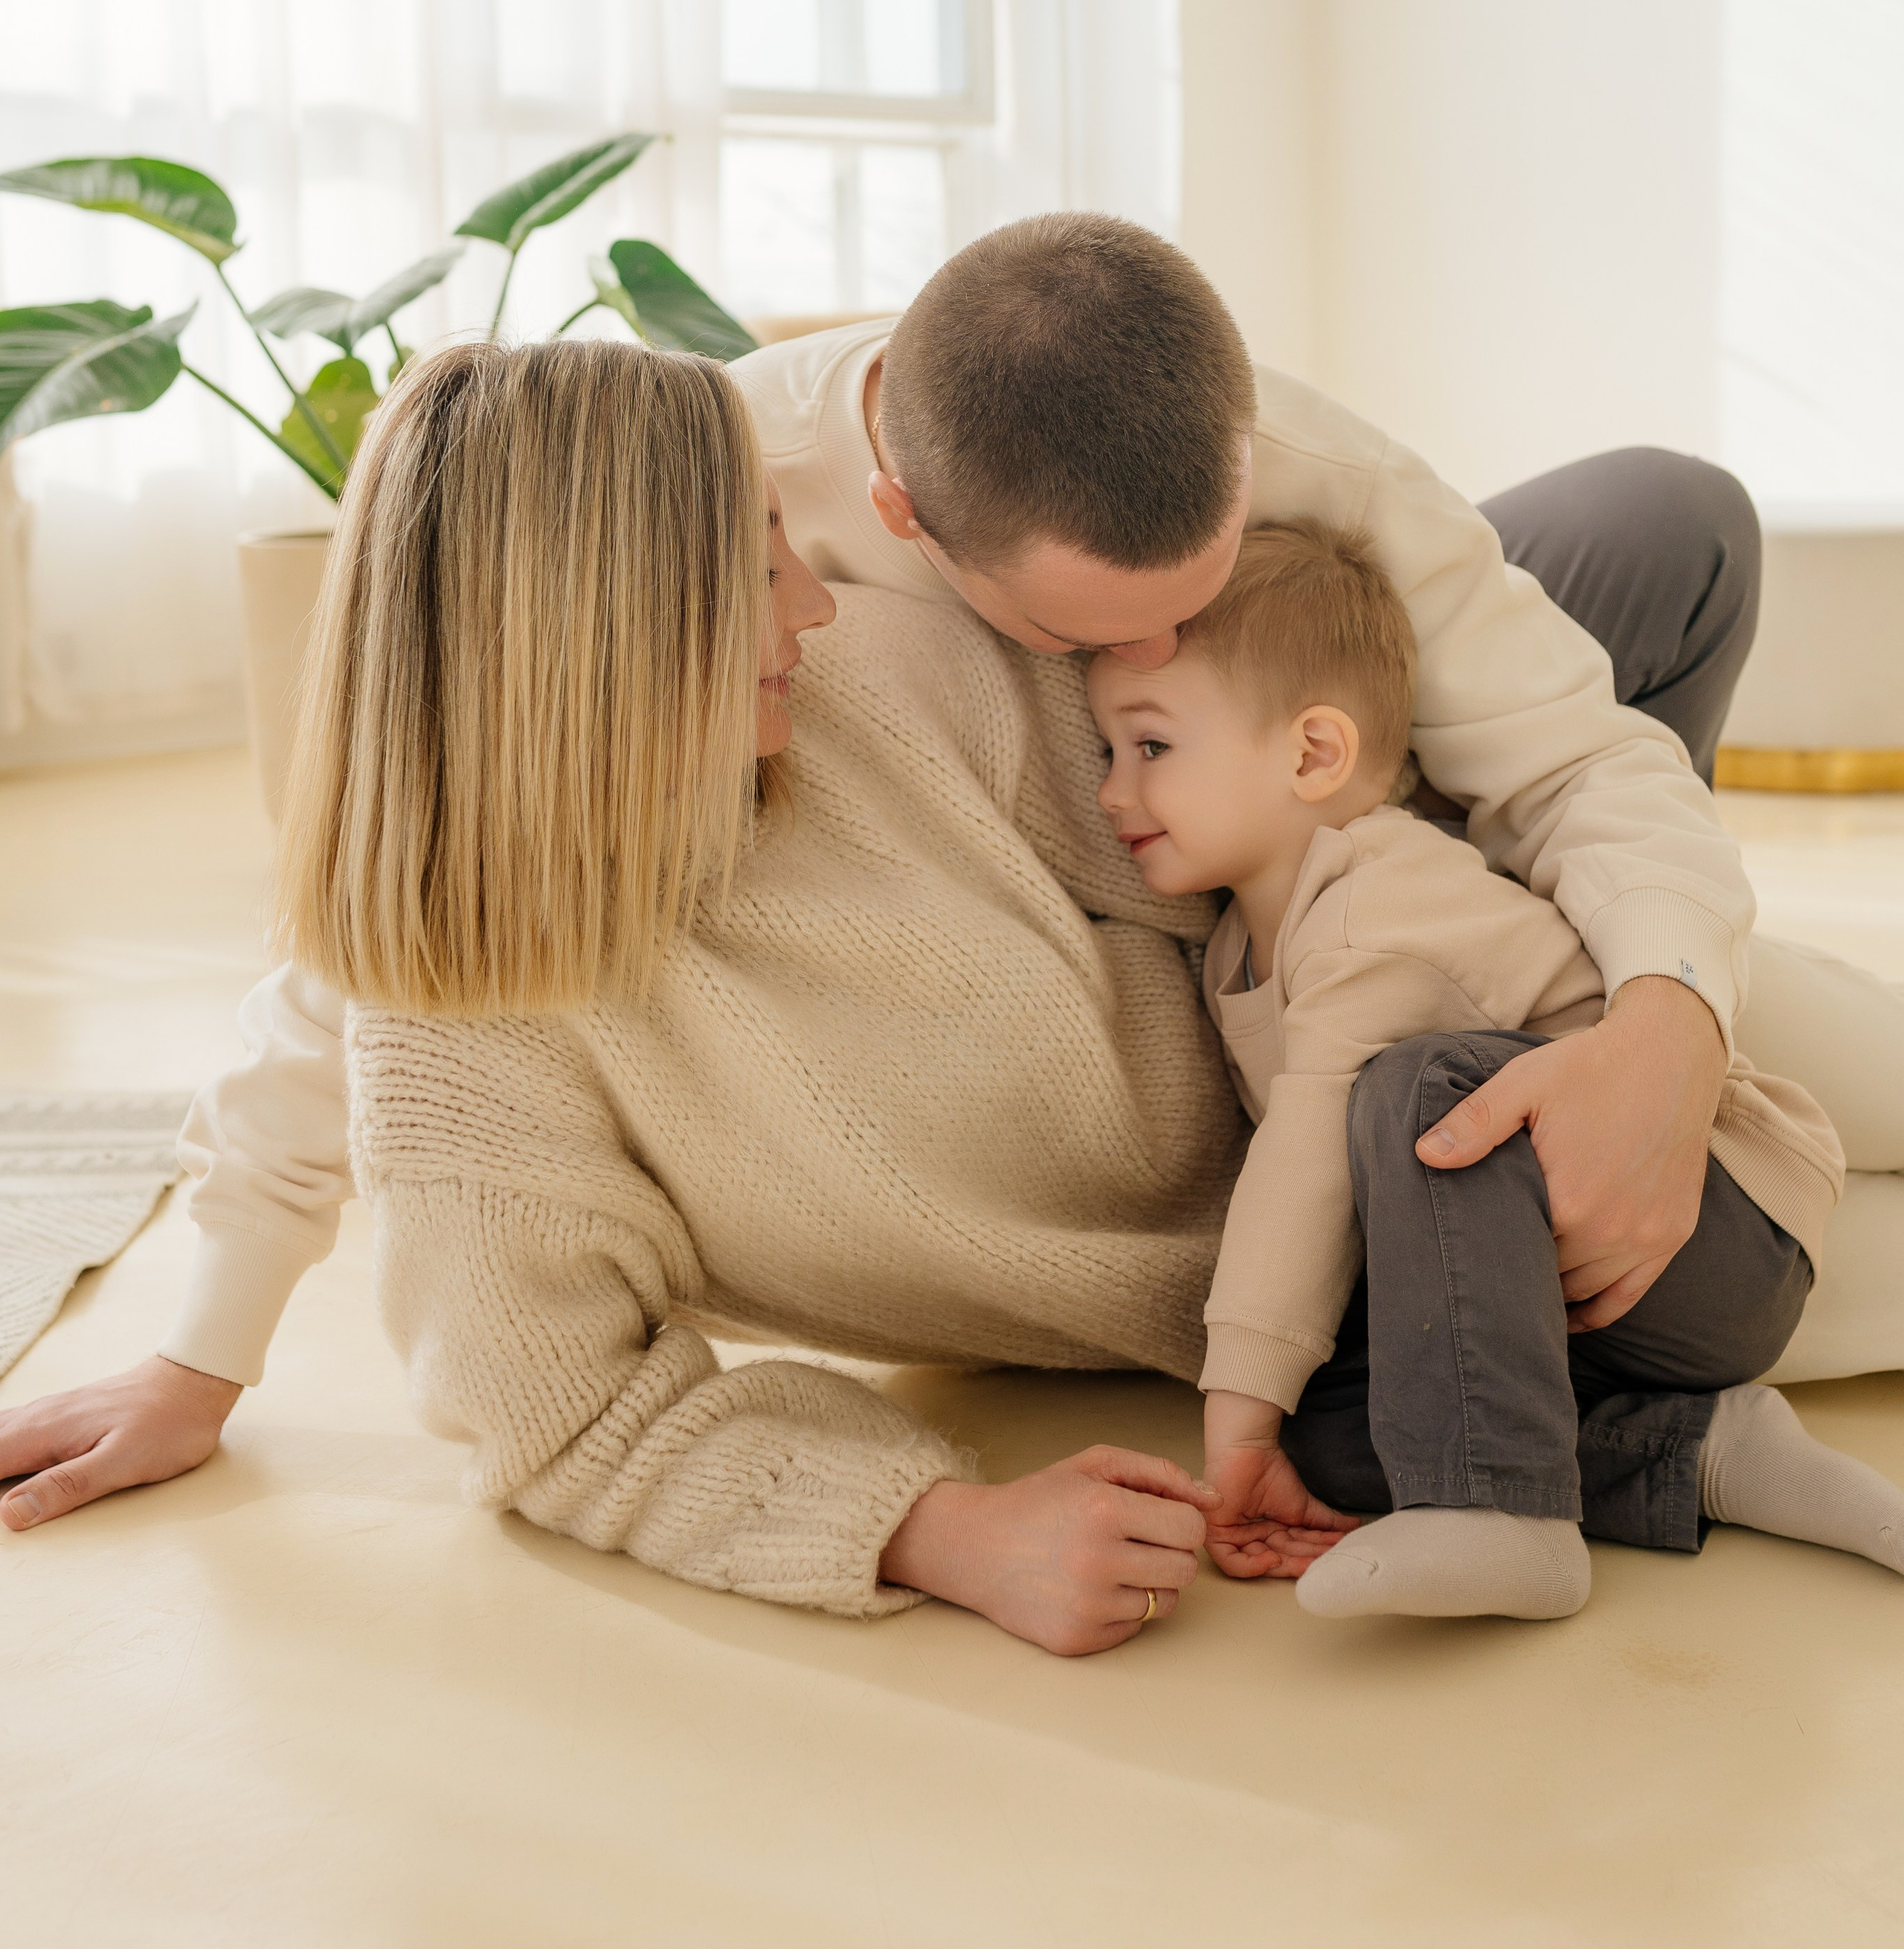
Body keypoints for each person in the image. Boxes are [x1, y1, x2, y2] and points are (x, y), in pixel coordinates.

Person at [4, 215, 1902, 1596]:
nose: (809, 604)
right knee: (1773, 1279)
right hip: (1306, 1158)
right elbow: (379, 988)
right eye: (764, 571)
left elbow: (1549, 766)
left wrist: (1656, 1023)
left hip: (1363, 903)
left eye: (781, 551)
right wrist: (205, 1347)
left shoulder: (1126, 527)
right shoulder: (714, 572)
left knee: (1664, 563)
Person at [1090, 522, 1903, 1620]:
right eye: (1106, 751)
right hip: (1580, 1290)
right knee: (1345, 1428)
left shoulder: (1377, 906)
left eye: (1149, 747)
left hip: (1711, 1220)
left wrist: (1232, 1428)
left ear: (1313, 754)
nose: (1111, 792)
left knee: (1422, 1093)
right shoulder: (1243, 942)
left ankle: (1509, 1516)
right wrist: (1274, 1429)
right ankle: (1712, 1453)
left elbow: (1304, 1171)